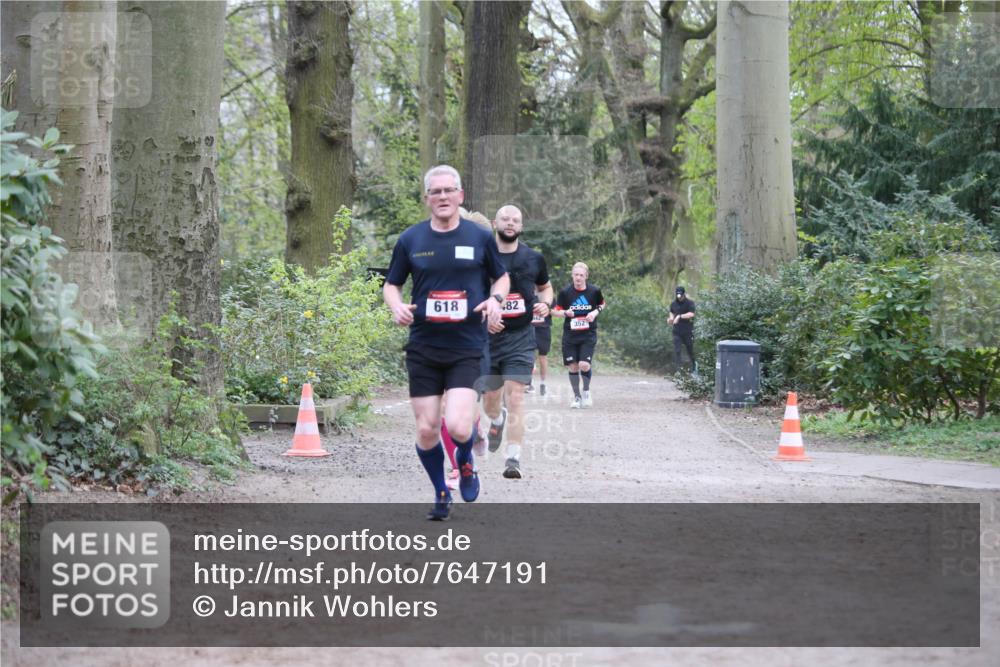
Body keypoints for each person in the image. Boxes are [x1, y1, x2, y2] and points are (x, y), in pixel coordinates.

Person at [383, 165, 510, 520]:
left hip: (467, 346)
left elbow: (501, 278)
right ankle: (441, 490)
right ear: (427, 198)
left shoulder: (479, 237)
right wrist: (396, 306)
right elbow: (392, 284)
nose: (442, 197)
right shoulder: (411, 240)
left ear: (459, 196)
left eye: (448, 190)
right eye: (435, 191)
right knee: (426, 429)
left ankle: (465, 461)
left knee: (457, 425)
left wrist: (496, 300)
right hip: (423, 346)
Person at [482, 205, 553, 480]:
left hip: (521, 338)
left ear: (521, 227)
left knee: (516, 397)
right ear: (494, 223)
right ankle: (496, 419)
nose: (510, 223)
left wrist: (546, 304)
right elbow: (470, 292)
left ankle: (513, 458)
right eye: (505, 219)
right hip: (488, 339)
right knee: (490, 401)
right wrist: (485, 318)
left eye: (515, 220)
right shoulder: (482, 257)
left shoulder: (534, 258)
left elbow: (545, 287)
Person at [552, 262, 605, 409]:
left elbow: (602, 304)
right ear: (572, 275)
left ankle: (586, 391)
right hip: (570, 335)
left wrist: (594, 313)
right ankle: (576, 397)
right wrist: (565, 313)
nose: (578, 278)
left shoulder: (594, 291)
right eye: (576, 275)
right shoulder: (565, 292)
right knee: (573, 367)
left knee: (584, 364)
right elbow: (554, 311)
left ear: (586, 276)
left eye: (581, 275)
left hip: (588, 334)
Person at [668, 286, 696, 372]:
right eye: (677, 295)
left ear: (684, 294)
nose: (679, 297)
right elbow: (671, 313)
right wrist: (670, 319)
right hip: (677, 332)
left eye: (680, 295)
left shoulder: (690, 303)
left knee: (690, 350)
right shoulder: (673, 304)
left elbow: (691, 314)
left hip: (687, 331)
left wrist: (680, 316)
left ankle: (694, 368)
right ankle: (679, 371)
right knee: (677, 350)